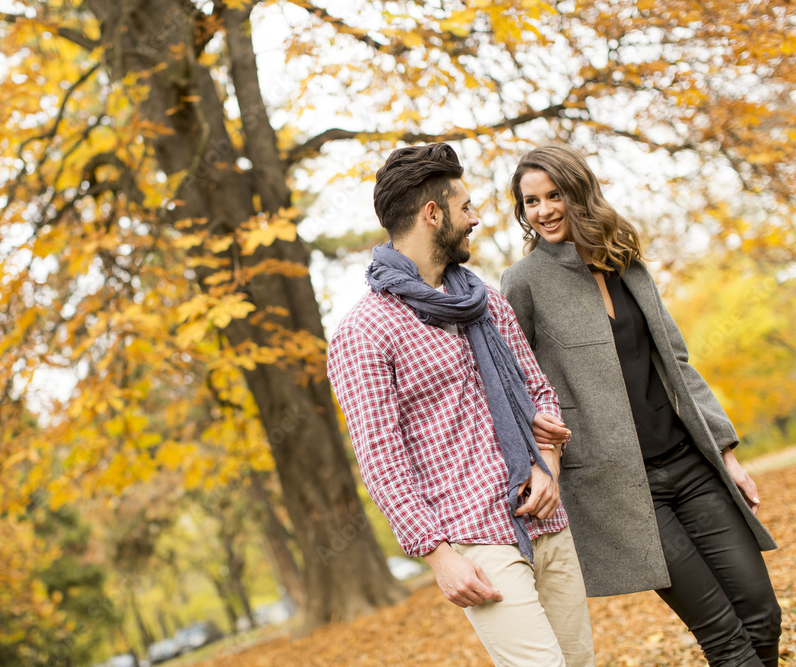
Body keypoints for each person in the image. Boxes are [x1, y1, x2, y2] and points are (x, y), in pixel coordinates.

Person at [501, 143, 782, 666]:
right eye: (531, 202)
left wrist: (725, 452)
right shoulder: (524, 283)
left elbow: (677, 362)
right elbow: (516, 382)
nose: (543, 211)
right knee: (725, 639)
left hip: (691, 466)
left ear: (579, 192)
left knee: (763, 616)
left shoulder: (624, 262)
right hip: (624, 490)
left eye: (554, 195)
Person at [326, 142, 595, 666]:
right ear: (433, 214)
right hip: (474, 535)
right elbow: (383, 462)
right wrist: (438, 556)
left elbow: (538, 389)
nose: (474, 218)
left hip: (543, 513)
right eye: (464, 206)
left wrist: (550, 468)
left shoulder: (483, 299)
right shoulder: (365, 331)